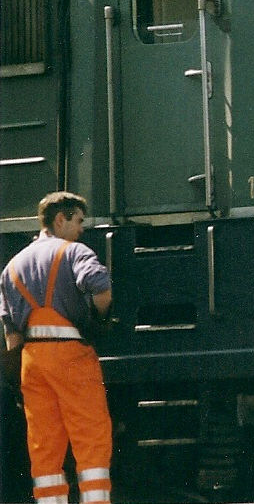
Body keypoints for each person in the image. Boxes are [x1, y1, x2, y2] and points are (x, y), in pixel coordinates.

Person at [0, 192, 113, 504]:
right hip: (70, 357)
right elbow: (99, 285)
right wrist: (99, 317)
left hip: (32, 362)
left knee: (44, 444)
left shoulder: (11, 267)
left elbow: (11, 336)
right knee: (90, 436)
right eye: (78, 221)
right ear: (60, 220)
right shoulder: (74, 252)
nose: (81, 230)